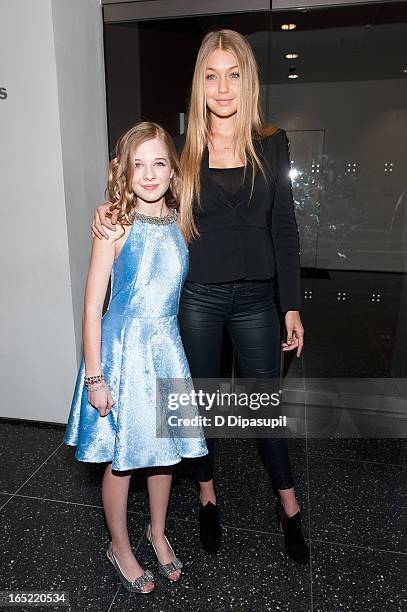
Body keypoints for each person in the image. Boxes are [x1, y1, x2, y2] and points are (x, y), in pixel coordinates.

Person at [92, 30, 309, 564]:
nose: (222, 87)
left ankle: (291, 507)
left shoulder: (272, 142)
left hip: (259, 299)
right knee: (199, 411)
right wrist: (108, 210)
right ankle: (207, 495)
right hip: (196, 303)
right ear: (200, 82)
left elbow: (284, 227)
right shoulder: (184, 150)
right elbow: (142, 187)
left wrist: (292, 304)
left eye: (232, 74)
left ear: (247, 80)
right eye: (211, 75)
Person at [64, 122, 208, 595]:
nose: (148, 174)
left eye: (159, 163)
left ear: (173, 170)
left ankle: (158, 533)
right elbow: (91, 304)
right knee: (122, 461)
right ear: (124, 172)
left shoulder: (181, 219)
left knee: (164, 456)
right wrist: (94, 377)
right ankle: (120, 545)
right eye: (137, 164)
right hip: (122, 354)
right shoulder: (114, 223)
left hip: (166, 351)